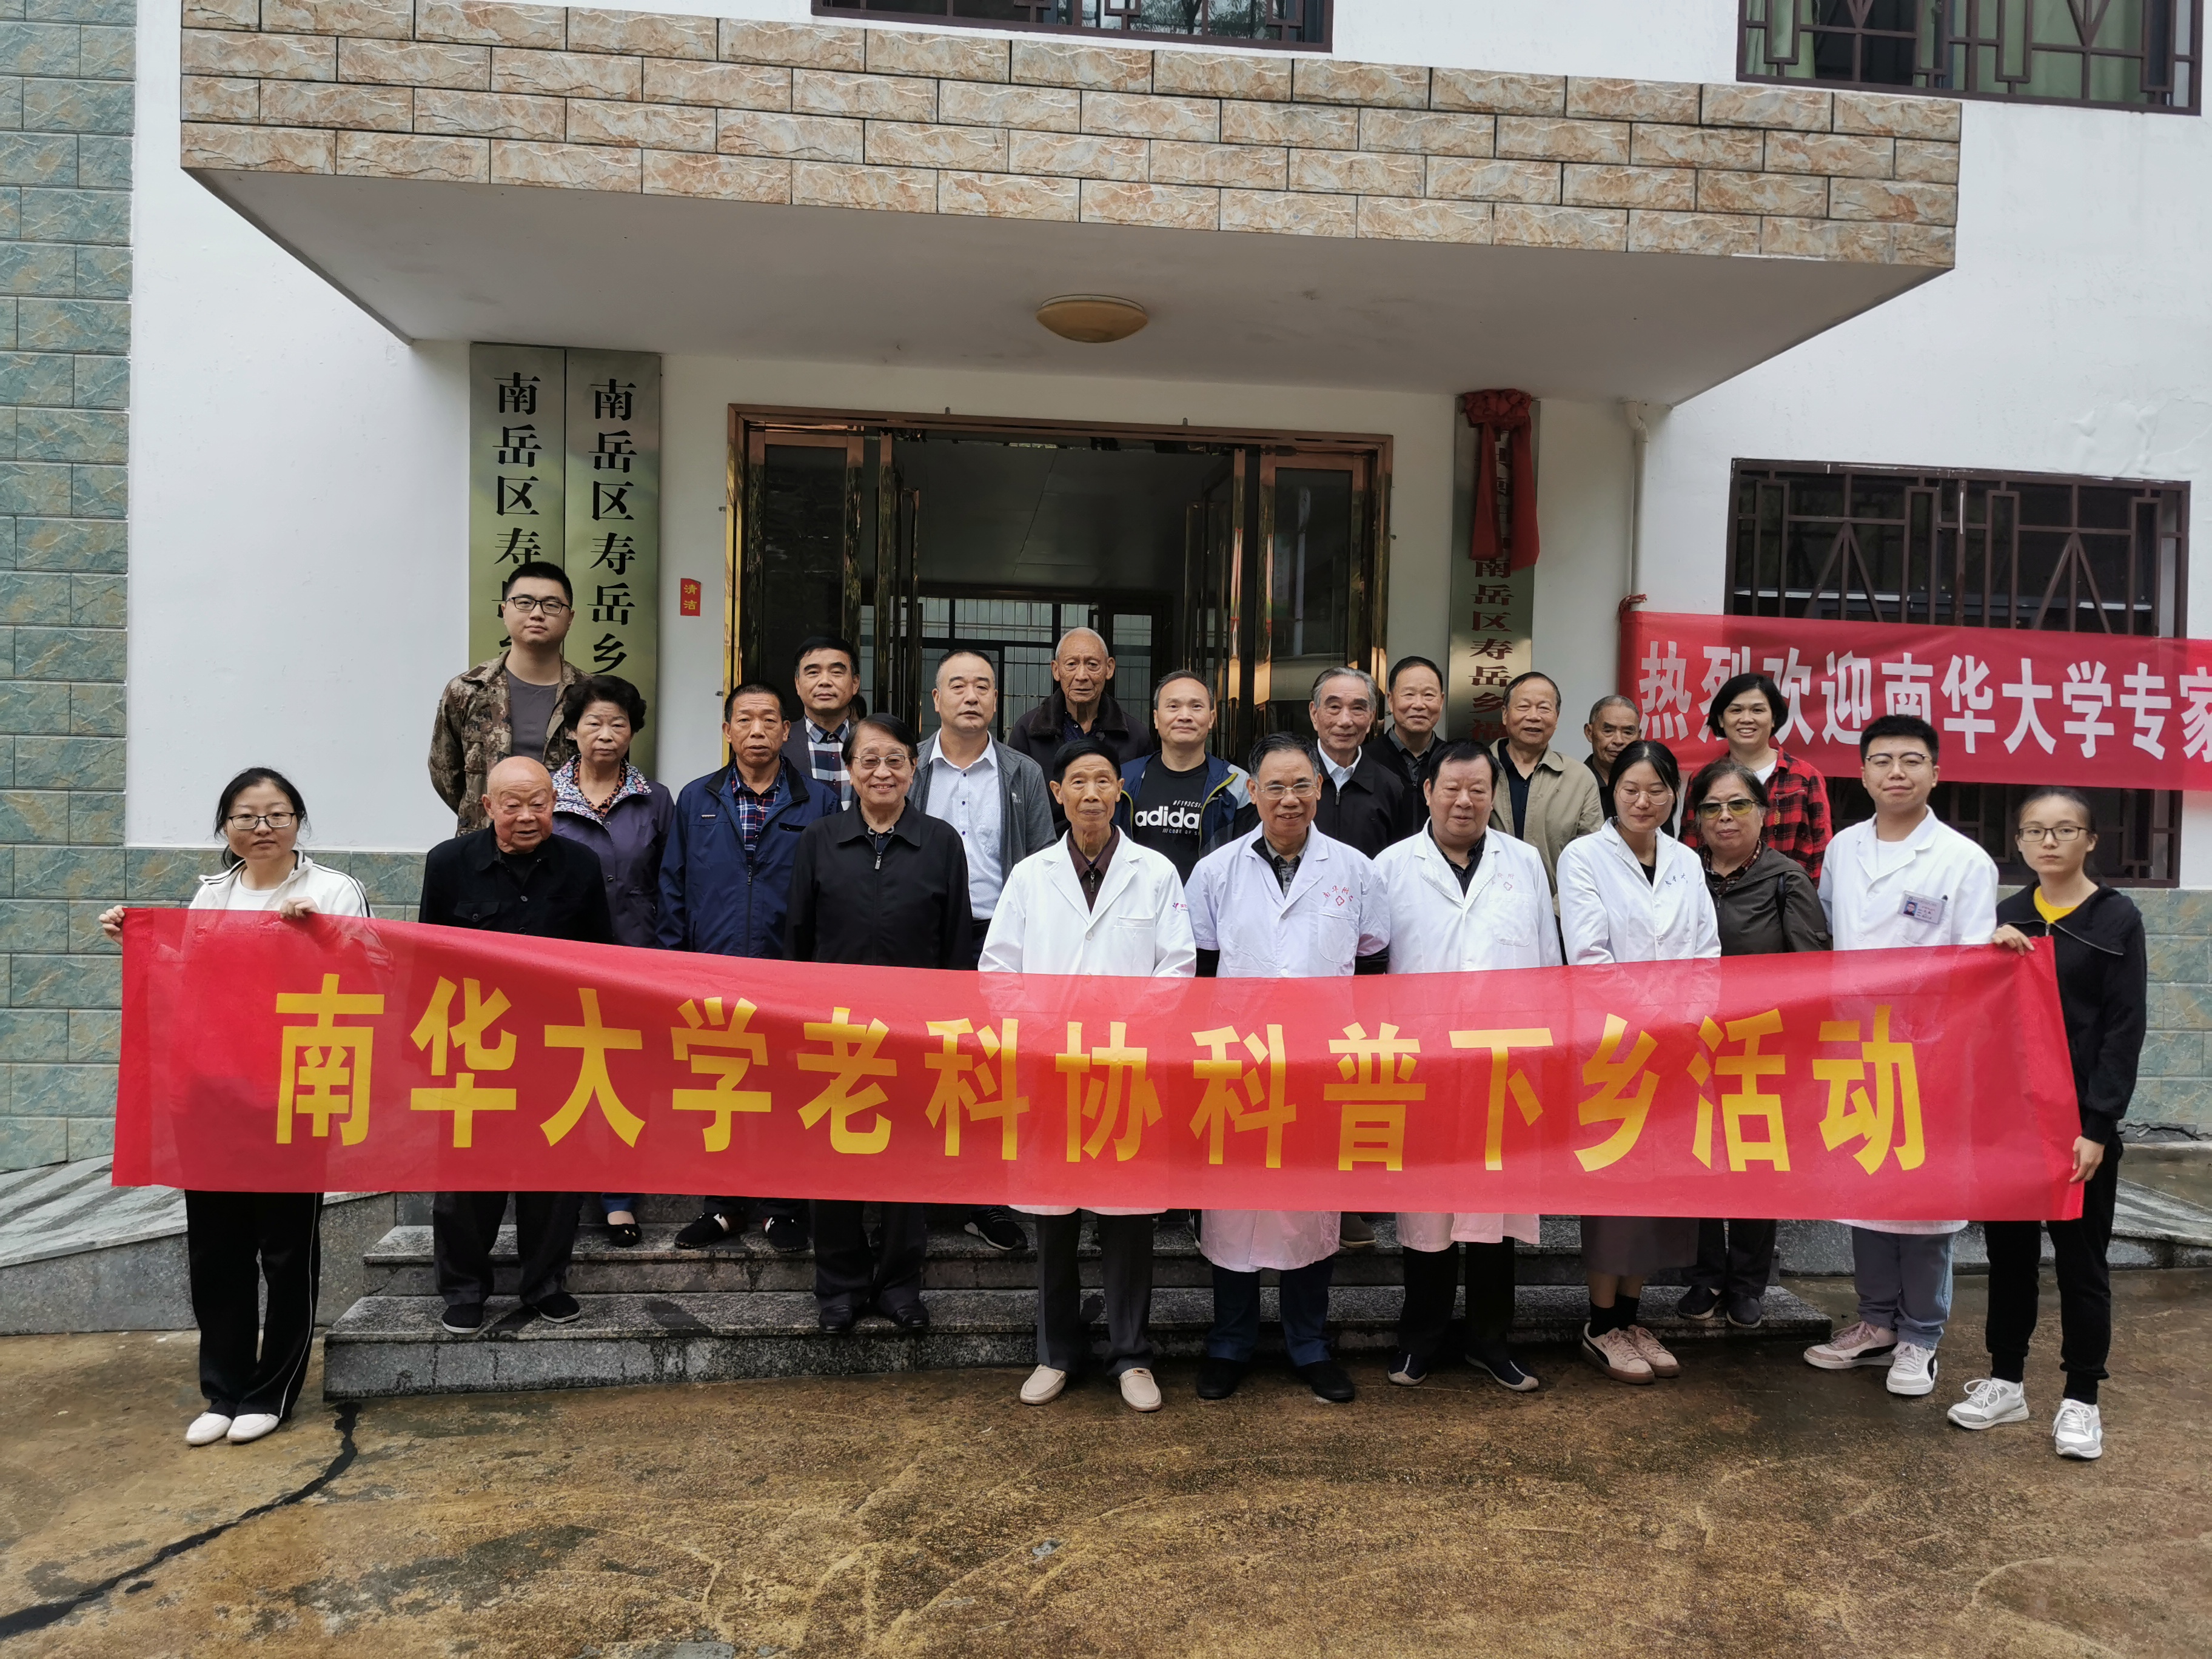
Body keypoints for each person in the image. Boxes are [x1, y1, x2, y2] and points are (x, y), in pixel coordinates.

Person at [100, 768, 368, 1447]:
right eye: (246, 816)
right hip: (214, 1095)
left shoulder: (333, 889)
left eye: (277, 814)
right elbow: (193, 984)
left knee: (286, 1250)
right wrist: (140, 939)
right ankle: (222, 1389)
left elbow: (371, 971)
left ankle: (272, 1390)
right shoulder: (211, 894)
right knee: (216, 1250)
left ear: (299, 821)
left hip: (293, 1093)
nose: (262, 828)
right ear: (226, 826)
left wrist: (323, 936)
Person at [983, 738, 1196, 1414]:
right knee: (1055, 1221)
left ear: (1119, 791)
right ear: (1058, 793)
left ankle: (1132, 1355)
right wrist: (1049, 1035)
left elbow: (1178, 968)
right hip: (1051, 1071)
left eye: (1104, 780)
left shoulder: (1155, 872)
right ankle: (1056, 1352)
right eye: (1079, 781)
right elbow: (997, 972)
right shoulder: (1031, 875)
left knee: (1128, 1218)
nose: (1093, 793)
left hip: (1127, 1070)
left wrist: (1122, 1032)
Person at [1183, 732, 1391, 1404]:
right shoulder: (1216, 871)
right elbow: (1201, 969)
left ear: (1320, 789)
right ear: (1252, 792)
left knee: (1312, 1208)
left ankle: (1310, 1344)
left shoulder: (1355, 869)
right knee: (1233, 1210)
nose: (1289, 799)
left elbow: (1372, 963)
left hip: (1319, 1065)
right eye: (1274, 786)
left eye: (1302, 785)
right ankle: (1229, 1343)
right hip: (1238, 1065)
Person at [1801, 714, 1997, 1398]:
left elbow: (1976, 967)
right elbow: (1828, 937)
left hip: (1929, 1053)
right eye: (1882, 760)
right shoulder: (1844, 848)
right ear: (1862, 773)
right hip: (1857, 1048)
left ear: (1935, 773)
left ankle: (1921, 1336)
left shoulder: (1964, 861)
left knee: (1925, 1196)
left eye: (1911, 760)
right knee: (1867, 1187)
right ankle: (1876, 1322)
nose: (1896, 773)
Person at [1951, 788, 2145, 1461]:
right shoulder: (2008, 916)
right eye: (2035, 831)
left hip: (2078, 1127)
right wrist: (1987, 954)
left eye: (2065, 830)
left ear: (2090, 840)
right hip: (2011, 1121)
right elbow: (1979, 1016)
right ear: (2021, 843)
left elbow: (2123, 1029)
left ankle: (2082, 1398)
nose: (2049, 842)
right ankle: (2006, 1382)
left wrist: (2099, 1125)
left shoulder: (2116, 918)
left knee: (2081, 1264)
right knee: (2008, 1260)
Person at [1372, 740, 1557, 1393]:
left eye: (1478, 789)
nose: (1464, 801)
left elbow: (1547, 963)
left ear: (1493, 795)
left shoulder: (1524, 862)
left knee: (1494, 1213)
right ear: (1427, 792)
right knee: (1426, 1213)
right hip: (1421, 1066)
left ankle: (1490, 1341)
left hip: (1505, 1064)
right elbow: (1374, 972)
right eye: (1451, 788)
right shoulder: (1391, 867)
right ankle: (1419, 1339)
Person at [787, 714, 973, 1334]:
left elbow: (956, 947)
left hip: (914, 1035)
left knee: (907, 1162)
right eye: (868, 760)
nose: (882, 772)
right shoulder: (819, 840)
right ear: (849, 771)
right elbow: (797, 941)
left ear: (914, 770)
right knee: (833, 1163)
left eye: (895, 760)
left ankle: (898, 1284)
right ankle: (839, 1286)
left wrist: (951, 1029)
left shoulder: (941, 842)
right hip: (834, 1034)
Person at [418, 757, 613, 1337]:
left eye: (540, 804)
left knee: (553, 1174)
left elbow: (601, 959)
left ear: (556, 803)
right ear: (488, 807)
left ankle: (545, 1285)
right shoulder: (448, 864)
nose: (528, 816)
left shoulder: (581, 865)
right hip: (473, 1046)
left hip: (555, 1046)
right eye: (513, 805)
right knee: (467, 1177)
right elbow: (429, 960)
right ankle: (464, 1289)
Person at [658, 683, 842, 1255]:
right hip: (712, 971)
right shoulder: (696, 798)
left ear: (787, 731)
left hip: (787, 974)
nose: (757, 730)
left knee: (785, 1091)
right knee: (721, 1088)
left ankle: (781, 1209)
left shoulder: (818, 800)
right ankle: (722, 1206)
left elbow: (830, 891)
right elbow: (673, 886)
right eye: (745, 720)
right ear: (727, 731)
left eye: (768, 720)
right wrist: (676, 967)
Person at [1557, 740, 1718, 1385]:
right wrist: (1659, 1020)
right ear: (1612, 792)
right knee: (1615, 1186)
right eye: (1630, 789)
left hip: (1679, 1050)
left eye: (1656, 790)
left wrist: (1687, 1023)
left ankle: (1631, 1316)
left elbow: (1706, 952)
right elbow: (1589, 956)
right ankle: (1600, 1325)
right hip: (1613, 1048)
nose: (1643, 801)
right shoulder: (1583, 857)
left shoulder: (1685, 860)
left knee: (1659, 1186)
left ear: (1674, 795)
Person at [1675, 758, 1831, 1330]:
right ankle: (1703, 1275)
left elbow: (1811, 972)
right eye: (1712, 807)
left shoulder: (1786, 879)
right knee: (1696, 1159)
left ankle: (1747, 1283)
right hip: (1688, 1043)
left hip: (1760, 1046)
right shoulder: (1680, 872)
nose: (1725, 817)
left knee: (1753, 1165)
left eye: (1739, 804)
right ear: (1697, 818)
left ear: (1763, 814)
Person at [908, 649, 1054, 1254]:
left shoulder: (1023, 773)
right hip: (921, 938)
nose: (971, 696)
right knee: (920, 1065)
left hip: (998, 938)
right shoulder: (910, 765)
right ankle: (914, 1196)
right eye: (958, 686)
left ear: (998, 701)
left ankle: (984, 1199)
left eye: (983, 687)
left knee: (993, 1072)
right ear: (936, 700)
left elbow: (1045, 863)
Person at [549, 674, 674, 1248]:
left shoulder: (656, 800)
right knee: (560, 1074)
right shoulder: (546, 796)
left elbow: (671, 881)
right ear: (574, 730)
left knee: (626, 1078)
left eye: (617, 723)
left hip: (636, 956)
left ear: (632, 732)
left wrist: (667, 955)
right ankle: (559, 1191)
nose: (605, 734)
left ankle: (619, 1197)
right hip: (562, 962)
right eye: (594, 723)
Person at [429, 560, 583, 833]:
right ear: (504, 610)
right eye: (524, 603)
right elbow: (445, 773)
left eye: (551, 605)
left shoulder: (589, 695)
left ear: (570, 618)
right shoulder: (468, 690)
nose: (537, 614)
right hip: (484, 844)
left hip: (567, 844)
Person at [1680, 672, 1832, 878]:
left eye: (1757, 710)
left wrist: (1807, 896)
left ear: (1773, 718)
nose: (1746, 719)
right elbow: (1690, 848)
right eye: (1736, 710)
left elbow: (1821, 851)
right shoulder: (1702, 778)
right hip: (1719, 893)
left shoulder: (1804, 777)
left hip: (1788, 894)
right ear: (1721, 720)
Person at [1118, 670, 1250, 882]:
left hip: (1210, 902)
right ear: (1156, 718)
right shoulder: (1124, 781)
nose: (1185, 716)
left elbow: (1248, 864)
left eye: (1196, 706)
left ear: (1212, 719)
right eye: (1173, 706)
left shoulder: (1238, 785)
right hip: (1138, 901)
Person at [1490, 671, 1604, 897]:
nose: (1534, 716)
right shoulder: (1477, 771)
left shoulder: (1579, 778)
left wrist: (1556, 912)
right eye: (1524, 707)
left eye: (1544, 708)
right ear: (1505, 714)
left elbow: (1592, 858)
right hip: (1484, 909)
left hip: (1557, 912)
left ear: (1557, 717)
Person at [1308, 666, 1421, 859]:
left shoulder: (1391, 787)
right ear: (1314, 714)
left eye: (1358, 708)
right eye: (1334, 707)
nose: (1345, 721)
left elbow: (1400, 862)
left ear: (1370, 718)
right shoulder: (1291, 781)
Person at [1007, 626, 1148, 774]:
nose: (1081, 676)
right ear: (1056, 670)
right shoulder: (1027, 731)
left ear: (1109, 668)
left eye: (1092, 665)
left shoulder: (1136, 736)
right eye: (1072, 664)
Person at [778, 635, 862, 809]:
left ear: (855, 683)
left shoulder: (874, 742)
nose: (825, 682)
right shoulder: (778, 743)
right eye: (813, 673)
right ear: (797, 684)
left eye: (836, 672)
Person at [1370, 655, 1446, 790]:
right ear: (1391, 701)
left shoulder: (1453, 760)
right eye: (1409, 694)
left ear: (1441, 701)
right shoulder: (1366, 759)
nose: (1419, 705)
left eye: (1429, 695)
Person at [1582, 694, 1641, 824]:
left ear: (1638, 736)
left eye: (1628, 733)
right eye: (1608, 731)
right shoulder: (1573, 784)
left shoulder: (1649, 788)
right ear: (1589, 732)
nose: (1618, 741)